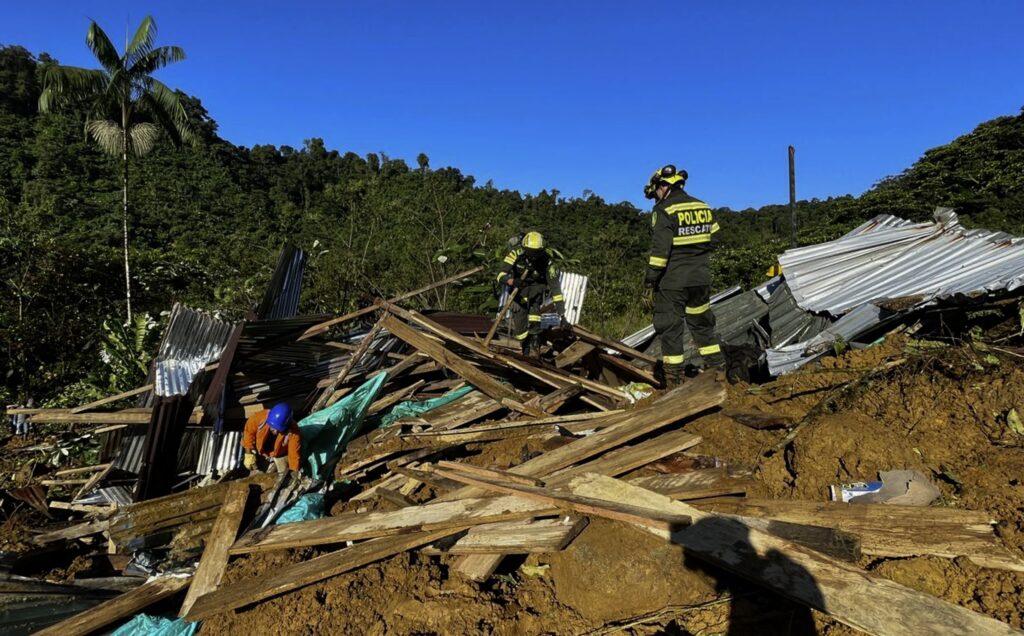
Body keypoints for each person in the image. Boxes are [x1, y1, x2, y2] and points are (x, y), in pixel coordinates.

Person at [643, 165, 724, 388]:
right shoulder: (703, 206)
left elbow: (660, 254)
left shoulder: (664, 210)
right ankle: (718, 373)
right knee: (702, 326)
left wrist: (650, 282)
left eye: (655, 193)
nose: (656, 198)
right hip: (701, 279)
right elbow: (716, 239)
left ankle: (674, 383)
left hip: (673, 282)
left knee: (670, 328)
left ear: (662, 186)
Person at [496, 231, 567, 356]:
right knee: (520, 330)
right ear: (524, 248)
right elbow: (500, 275)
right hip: (518, 291)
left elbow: (556, 289)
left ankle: (535, 342)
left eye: (536, 253)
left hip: (535, 291)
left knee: (535, 316)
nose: (533, 256)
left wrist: (562, 315)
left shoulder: (548, 263)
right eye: (530, 252)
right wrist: (512, 281)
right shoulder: (515, 254)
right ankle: (525, 344)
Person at [241, 402, 301, 474]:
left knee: (283, 474)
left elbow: (293, 454)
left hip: (279, 454)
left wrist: (294, 471)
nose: (274, 431)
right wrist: (248, 454)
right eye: (272, 427)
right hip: (260, 450)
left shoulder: (293, 431)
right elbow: (248, 432)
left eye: (278, 429)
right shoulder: (259, 417)